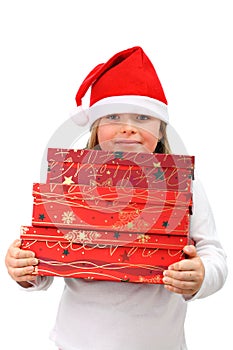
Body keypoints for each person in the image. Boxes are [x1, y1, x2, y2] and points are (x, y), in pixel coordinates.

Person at [5, 46, 227, 350]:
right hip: (76, 342)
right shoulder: (70, 179)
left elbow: (213, 253)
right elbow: (47, 258)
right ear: (95, 127)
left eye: (142, 117)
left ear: (161, 130)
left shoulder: (184, 183)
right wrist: (25, 270)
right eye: (113, 116)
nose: (128, 127)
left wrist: (201, 276)